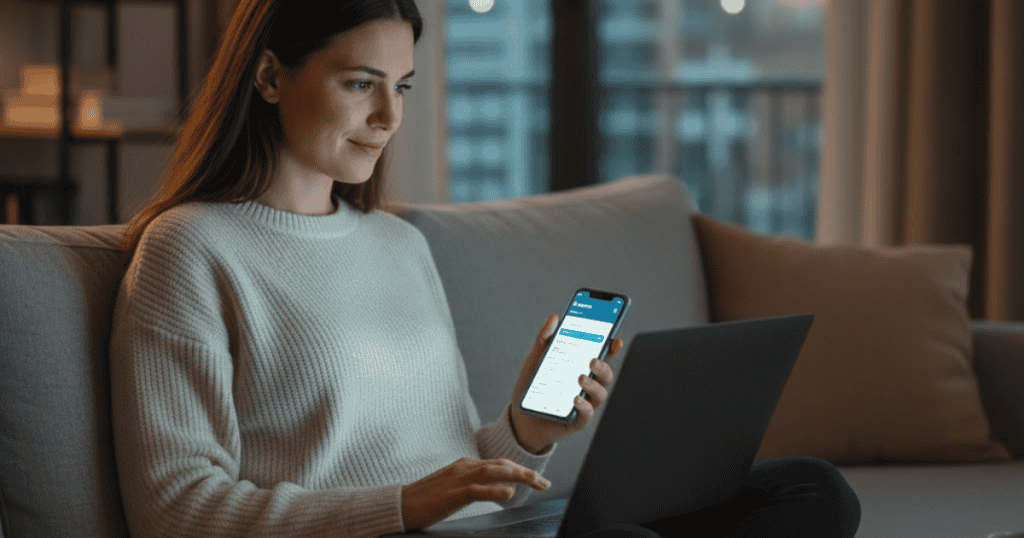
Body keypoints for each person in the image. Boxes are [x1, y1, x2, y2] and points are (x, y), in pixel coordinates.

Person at [109, 0, 860, 537]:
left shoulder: (397, 244)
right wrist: (400, 507)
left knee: (810, 490)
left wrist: (524, 431)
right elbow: (176, 508)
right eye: (358, 83)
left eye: (401, 87)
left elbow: (456, 467)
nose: (388, 117)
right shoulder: (193, 248)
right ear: (270, 77)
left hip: (493, 529)